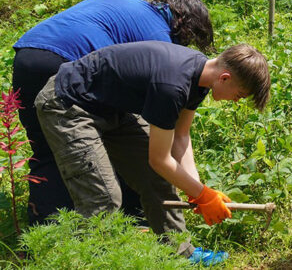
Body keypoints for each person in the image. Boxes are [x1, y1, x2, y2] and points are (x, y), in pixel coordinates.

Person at [34, 41, 270, 264]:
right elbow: (159, 159)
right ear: (225, 78)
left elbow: (181, 136)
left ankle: (180, 256)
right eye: (239, 95)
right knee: (103, 197)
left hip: (111, 108)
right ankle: (95, 262)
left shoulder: (201, 79)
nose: (236, 101)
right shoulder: (172, 85)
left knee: (159, 181)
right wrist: (203, 194)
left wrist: (196, 190)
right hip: (68, 103)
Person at [12, 0, 213, 225]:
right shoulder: (159, 36)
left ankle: (43, 236)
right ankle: (129, 221)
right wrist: (196, 189)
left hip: (27, 56)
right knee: (112, 142)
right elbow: (157, 128)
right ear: (184, 26)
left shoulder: (130, 4)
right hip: (64, 67)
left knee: (47, 151)